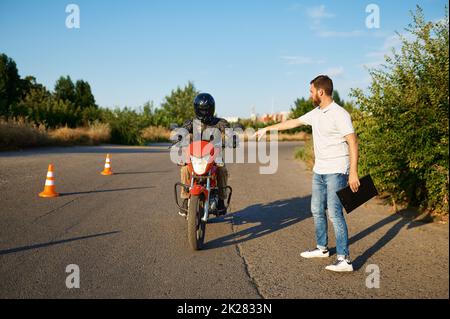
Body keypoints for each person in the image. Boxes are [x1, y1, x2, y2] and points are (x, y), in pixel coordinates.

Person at [255, 75, 360, 272]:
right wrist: (268, 128)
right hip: (319, 170)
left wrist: (353, 172)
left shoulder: (339, 114)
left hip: (336, 170)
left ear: (321, 92)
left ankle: (344, 259)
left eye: (311, 91)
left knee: (334, 214)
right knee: (316, 209)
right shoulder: (316, 113)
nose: (310, 94)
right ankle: (322, 248)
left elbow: (353, 142)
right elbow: (293, 122)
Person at [177, 93, 231, 216]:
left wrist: (231, 137)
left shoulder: (219, 122)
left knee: (221, 170)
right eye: (201, 110)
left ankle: (221, 200)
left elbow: (227, 129)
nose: (204, 113)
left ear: (212, 109)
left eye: (207, 110)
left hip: (213, 156)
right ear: (196, 109)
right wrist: (178, 136)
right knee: (185, 169)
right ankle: (186, 198)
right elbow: (183, 130)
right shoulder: (192, 123)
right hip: (195, 155)